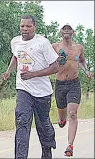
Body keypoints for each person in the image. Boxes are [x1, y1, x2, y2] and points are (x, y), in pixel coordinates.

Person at [1, 14, 59, 159]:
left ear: (35, 27)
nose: (25, 29)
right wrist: (8, 71)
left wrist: (34, 74)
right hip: (23, 88)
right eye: (22, 26)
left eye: (28, 26)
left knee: (43, 125)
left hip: (42, 92)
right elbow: (16, 56)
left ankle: (47, 149)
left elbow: (55, 67)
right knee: (22, 121)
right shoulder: (15, 41)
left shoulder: (42, 43)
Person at [52, 23, 94, 157]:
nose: (66, 31)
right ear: (60, 32)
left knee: (73, 114)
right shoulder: (55, 47)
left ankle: (70, 145)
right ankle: (61, 120)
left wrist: (86, 70)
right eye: (64, 29)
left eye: (69, 29)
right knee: (63, 115)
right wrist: (55, 61)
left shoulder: (79, 48)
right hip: (60, 83)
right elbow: (47, 61)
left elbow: (81, 61)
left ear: (73, 32)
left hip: (74, 84)